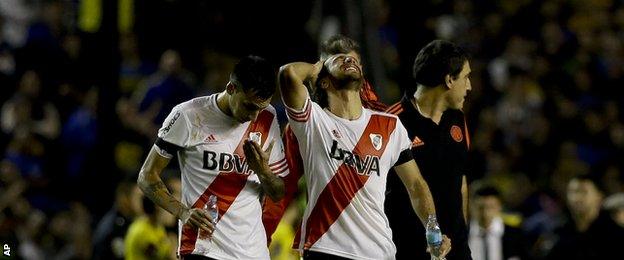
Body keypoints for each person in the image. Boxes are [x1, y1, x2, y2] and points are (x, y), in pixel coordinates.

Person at [278, 53, 450, 259]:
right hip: (324, 247)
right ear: (323, 82)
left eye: (353, 60)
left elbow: (416, 185)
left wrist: (433, 230)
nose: (349, 60)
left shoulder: (390, 126)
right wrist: (316, 68)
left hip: (378, 250)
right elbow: (288, 73)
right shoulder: (313, 120)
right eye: (338, 60)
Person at [137, 55, 288, 260]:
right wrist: (183, 212)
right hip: (203, 247)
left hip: (253, 252)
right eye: (249, 106)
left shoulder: (267, 118)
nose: (254, 116)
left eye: (260, 108)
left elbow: (278, 193)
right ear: (231, 88)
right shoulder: (189, 115)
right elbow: (147, 175)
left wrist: (263, 172)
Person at [262, 34, 387, 242]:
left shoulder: (385, 121)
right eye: (338, 63)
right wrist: (261, 239)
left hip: (377, 241)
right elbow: (283, 188)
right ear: (321, 73)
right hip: (326, 242)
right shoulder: (306, 126)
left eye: (352, 62)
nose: (347, 66)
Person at [385, 39, 472, 260]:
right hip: (408, 249)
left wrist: (460, 236)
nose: (469, 86)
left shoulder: (458, 119)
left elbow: (460, 180)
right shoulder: (392, 122)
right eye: (466, 77)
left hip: (457, 250)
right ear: (449, 80)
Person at [546, 175, 624, 260]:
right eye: (572, 192)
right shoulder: (559, 233)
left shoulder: (614, 233)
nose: (576, 198)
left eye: (583, 192)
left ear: (599, 196)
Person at [468, 184, 529, 260]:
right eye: (480, 208)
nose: (485, 213)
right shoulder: (463, 234)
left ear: (499, 207)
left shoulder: (514, 234)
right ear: (472, 206)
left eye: (491, 207)